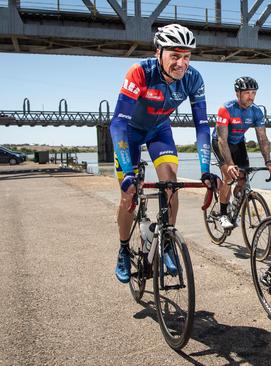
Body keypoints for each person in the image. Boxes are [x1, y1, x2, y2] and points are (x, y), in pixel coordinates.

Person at [110, 24, 217, 284]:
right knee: (129, 194)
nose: (182, 63)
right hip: (131, 133)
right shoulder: (140, 73)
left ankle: (167, 240)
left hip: (159, 131)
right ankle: (124, 249)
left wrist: (205, 169)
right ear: (159, 52)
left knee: (171, 183)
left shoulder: (193, 79)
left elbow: (202, 126)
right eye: (175, 56)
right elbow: (118, 124)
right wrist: (127, 173)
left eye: (187, 56)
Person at [212, 76, 271, 229]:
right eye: (247, 93)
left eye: (253, 93)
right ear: (237, 93)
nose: (251, 96)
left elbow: (262, 138)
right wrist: (231, 164)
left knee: (243, 177)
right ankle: (223, 214)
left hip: (238, 143)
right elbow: (222, 140)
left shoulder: (256, 112)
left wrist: (268, 161)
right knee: (228, 175)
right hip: (221, 143)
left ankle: (235, 206)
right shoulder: (226, 109)